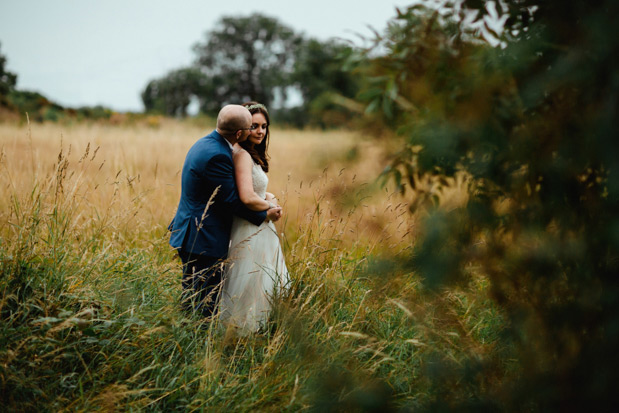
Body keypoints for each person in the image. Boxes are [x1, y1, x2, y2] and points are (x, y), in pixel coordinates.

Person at [168, 104, 282, 319]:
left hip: (193, 233)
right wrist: (266, 213)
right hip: (203, 237)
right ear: (239, 133)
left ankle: (190, 339)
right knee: (204, 304)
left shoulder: (205, 143)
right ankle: (199, 346)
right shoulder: (218, 156)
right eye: (251, 128)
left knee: (193, 298)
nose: (255, 132)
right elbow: (231, 200)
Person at [219, 102, 290, 335]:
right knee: (249, 282)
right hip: (251, 227)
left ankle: (258, 333)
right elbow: (247, 197)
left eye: (264, 126)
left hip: (261, 227)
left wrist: (268, 196)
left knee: (263, 283)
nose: (260, 131)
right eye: (255, 126)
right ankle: (240, 335)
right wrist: (272, 207)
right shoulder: (241, 155)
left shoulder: (251, 154)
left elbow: (255, 190)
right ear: (243, 127)